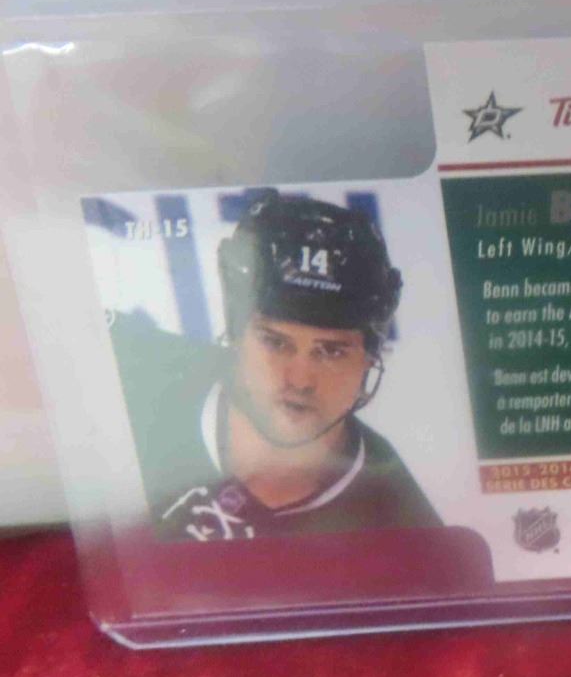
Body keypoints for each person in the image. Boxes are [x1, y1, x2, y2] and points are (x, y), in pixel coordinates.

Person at [111, 190, 440, 541]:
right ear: (236, 334)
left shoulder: (406, 532)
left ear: (369, 359)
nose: (300, 380)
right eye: (275, 343)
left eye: (331, 352)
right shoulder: (123, 373)